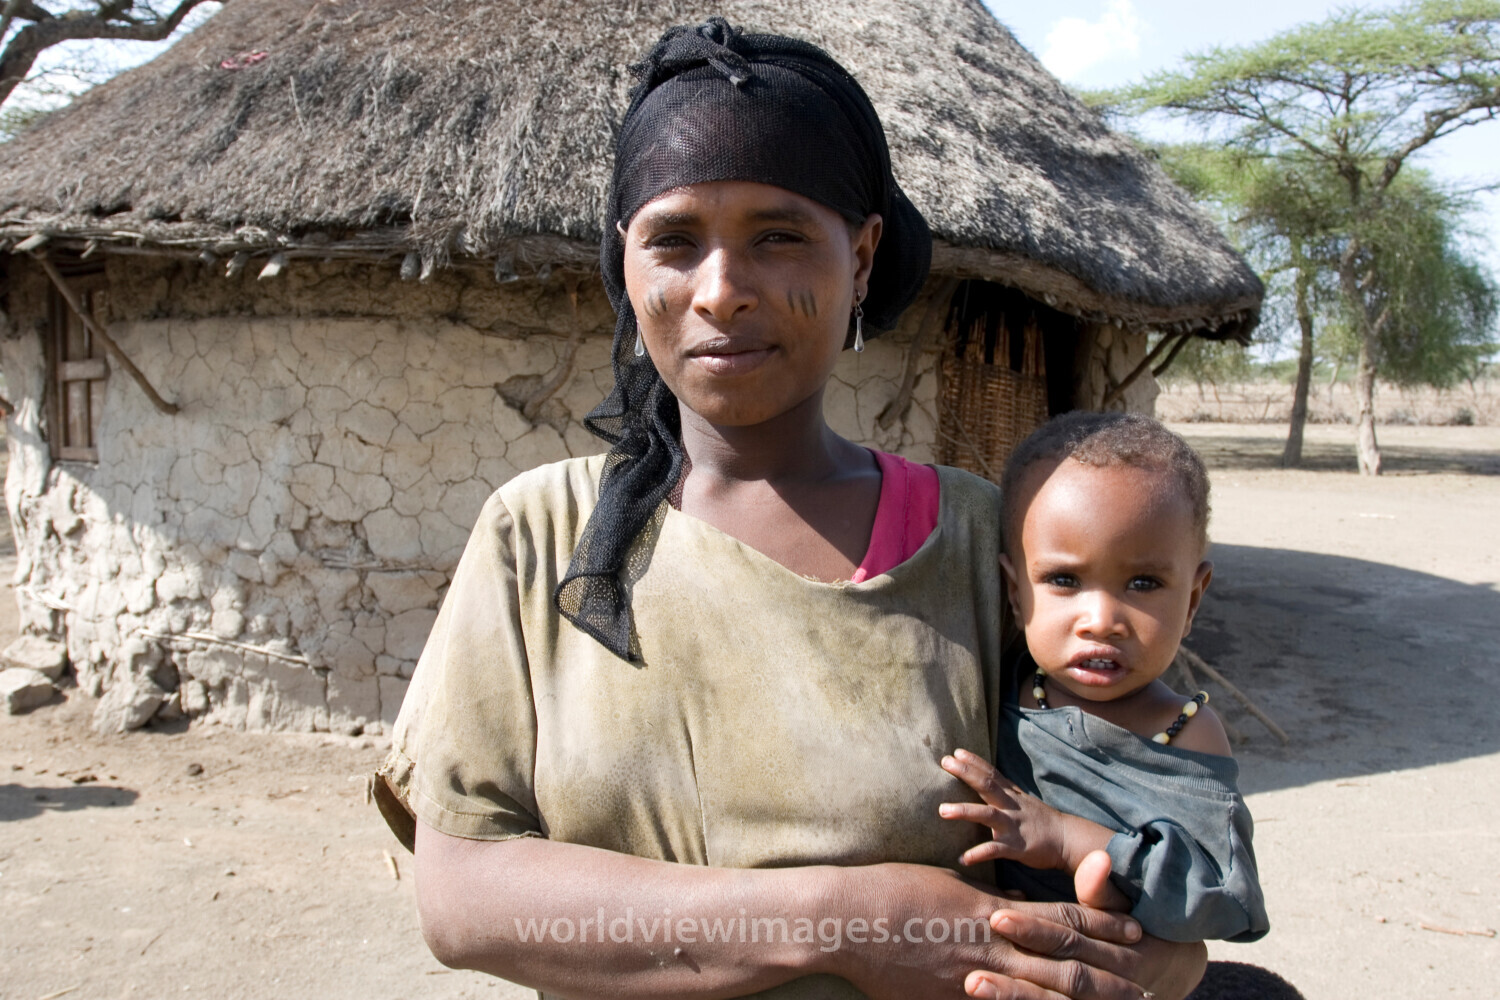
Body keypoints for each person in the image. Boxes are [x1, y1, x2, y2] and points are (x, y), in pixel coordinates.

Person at [374, 20, 1207, 1000]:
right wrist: (846, 923)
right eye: (674, 241)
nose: (722, 292)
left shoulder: (987, 546)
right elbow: (463, 898)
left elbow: (1164, 903)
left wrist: (1131, 955)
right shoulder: (541, 535)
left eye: (779, 237)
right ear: (626, 262)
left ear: (861, 257)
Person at [939, 412, 1270, 943]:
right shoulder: (997, 693)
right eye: (1064, 579)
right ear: (1016, 593)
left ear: (1192, 600)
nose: (1100, 621)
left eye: (1143, 583)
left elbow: (1225, 899)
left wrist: (1069, 840)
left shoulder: (1187, 733)